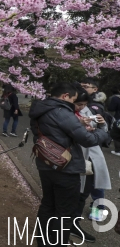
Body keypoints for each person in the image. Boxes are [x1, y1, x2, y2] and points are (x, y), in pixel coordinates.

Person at [29, 82, 109, 247]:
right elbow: (88, 140)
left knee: (48, 205)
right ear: (65, 96)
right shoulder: (62, 111)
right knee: (65, 211)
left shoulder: (41, 109)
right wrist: (102, 129)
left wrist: (78, 125)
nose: (76, 106)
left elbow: (54, 132)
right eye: (74, 101)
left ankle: (43, 242)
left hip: (46, 162)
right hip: (65, 168)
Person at [71, 88, 111, 242]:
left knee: (84, 193)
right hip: (74, 159)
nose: (81, 107)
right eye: (79, 104)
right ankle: (66, 224)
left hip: (91, 159)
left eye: (84, 104)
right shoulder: (64, 113)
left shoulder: (88, 110)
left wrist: (101, 125)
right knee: (73, 194)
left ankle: (74, 224)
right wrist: (84, 128)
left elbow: (101, 135)